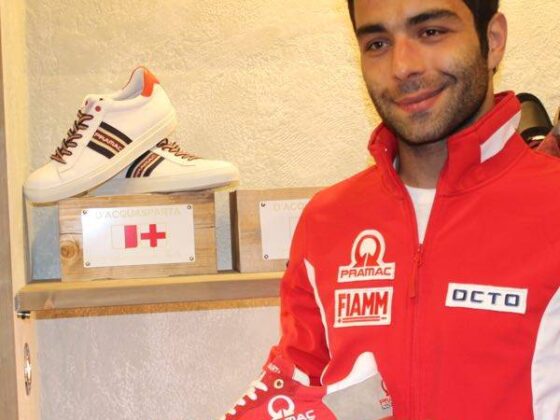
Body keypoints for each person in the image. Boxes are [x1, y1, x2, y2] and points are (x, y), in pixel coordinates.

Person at [224, 1, 560, 418]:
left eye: (431, 32)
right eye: (378, 43)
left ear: (492, 40)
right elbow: (298, 384)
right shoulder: (327, 219)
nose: (402, 66)